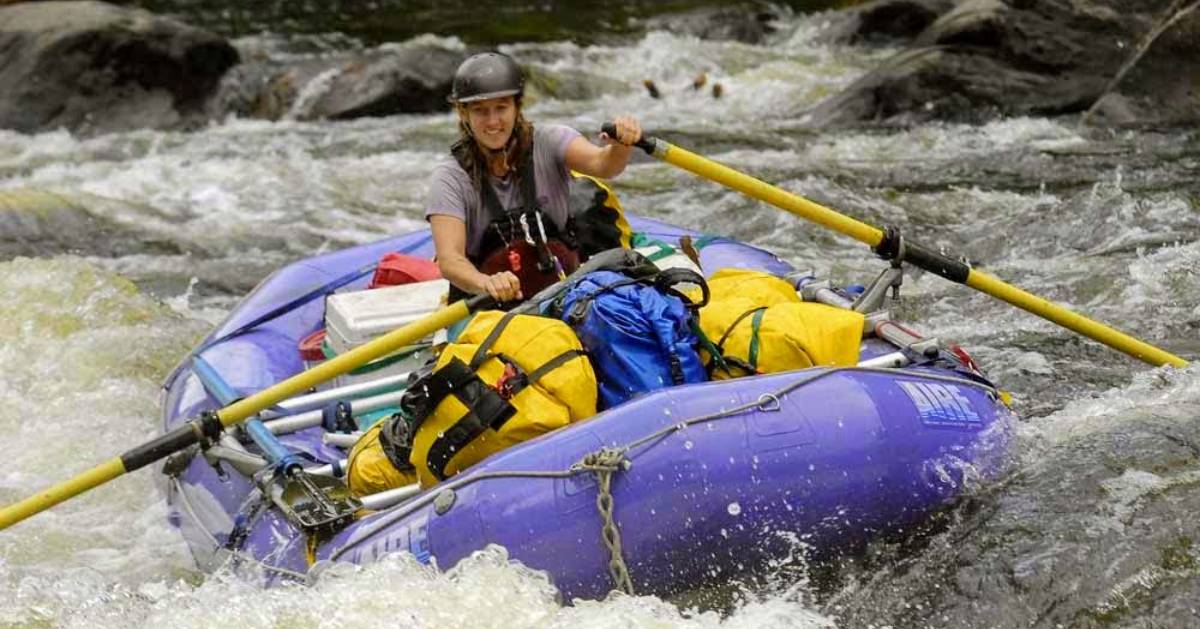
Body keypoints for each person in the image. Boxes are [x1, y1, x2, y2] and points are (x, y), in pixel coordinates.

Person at [426, 51, 642, 304]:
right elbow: (450, 260)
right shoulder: (449, 177)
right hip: (488, 305)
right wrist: (486, 283)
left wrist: (621, 146)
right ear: (464, 114)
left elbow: (604, 165)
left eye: (501, 107)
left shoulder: (550, 141)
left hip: (562, 292)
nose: (493, 121)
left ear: (517, 107)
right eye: (480, 111)